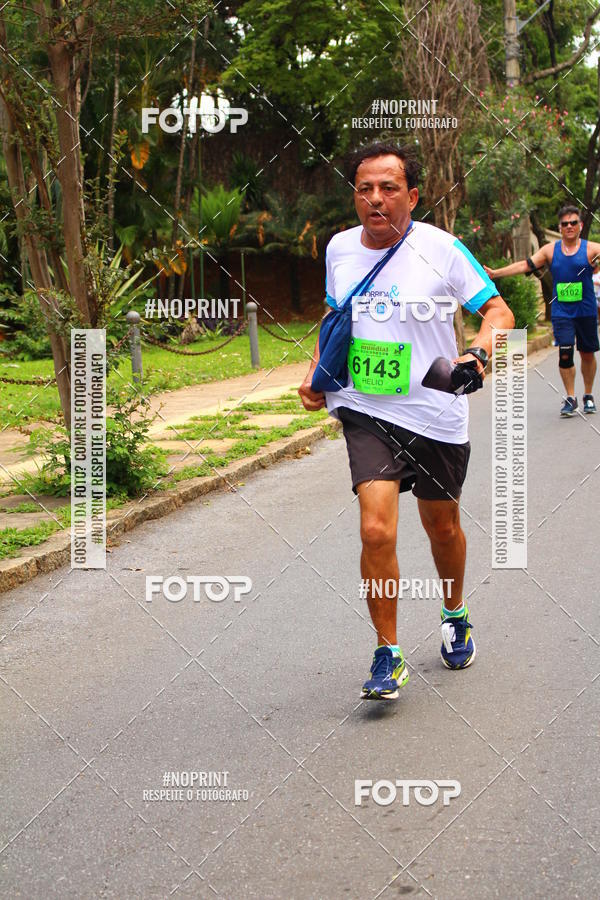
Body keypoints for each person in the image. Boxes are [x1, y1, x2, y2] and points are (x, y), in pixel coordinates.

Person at [298, 142, 514, 700]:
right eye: (365, 188)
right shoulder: (341, 249)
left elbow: (499, 311)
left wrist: (480, 355)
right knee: (375, 528)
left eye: (389, 188)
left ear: (412, 196)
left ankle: (454, 610)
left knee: (441, 527)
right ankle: (387, 652)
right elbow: (335, 316)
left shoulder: (442, 249)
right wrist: (318, 371)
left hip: (437, 412)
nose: (376, 198)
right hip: (367, 409)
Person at [484, 205, 600, 417]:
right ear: (560, 227)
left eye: (573, 223)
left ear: (580, 226)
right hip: (562, 311)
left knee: (587, 353)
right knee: (565, 353)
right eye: (565, 224)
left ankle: (589, 395)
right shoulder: (550, 250)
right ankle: (571, 397)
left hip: (586, 310)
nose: (569, 227)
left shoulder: (592, 249)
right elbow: (525, 265)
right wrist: (495, 273)